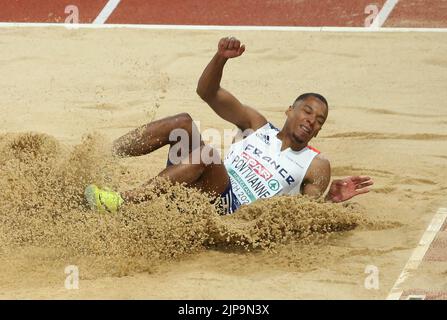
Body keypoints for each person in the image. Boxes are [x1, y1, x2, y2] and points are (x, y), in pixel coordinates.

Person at [84, 36, 373, 214]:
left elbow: (302, 216)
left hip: (230, 208)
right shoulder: (256, 125)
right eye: (307, 112)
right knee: (182, 123)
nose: (312, 121)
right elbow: (207, 93)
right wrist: (220, 59)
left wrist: (330, 203)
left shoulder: (315, 164)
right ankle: (99, 157)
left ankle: (123, 202)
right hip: (197, 185)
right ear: (289, 111)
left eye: (319, 120)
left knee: (208, 155)